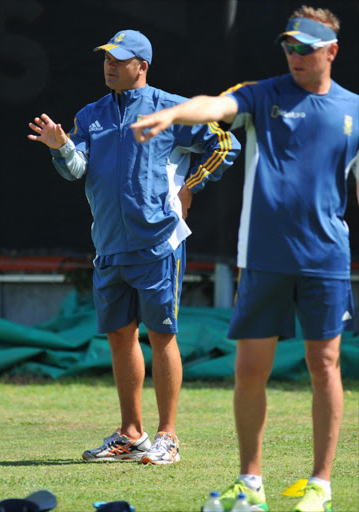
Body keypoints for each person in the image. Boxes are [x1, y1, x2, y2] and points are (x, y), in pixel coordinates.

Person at [131, 6, 359, 510]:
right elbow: (213, 106)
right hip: (263, 258)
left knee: (325, 364)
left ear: (331, 52)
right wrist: (172, 113)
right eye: (288, 47)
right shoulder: (264, 94)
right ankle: (250, 484)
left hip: (326, 261)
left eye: (305, 48)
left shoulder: (354, 110)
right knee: (250, 369)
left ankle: (320, 484)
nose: (294, 56)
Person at [28, 30, 240, 465]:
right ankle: (131, 434)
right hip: (109, 247)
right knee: (120, 337)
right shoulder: (91, 115)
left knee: (162, 335)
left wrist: (191, 187)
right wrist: (61, 146)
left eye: (119, 59)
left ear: (141, 66)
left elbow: (225, 144)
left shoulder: (171, 109)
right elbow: (77, 169)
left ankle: (168, 437)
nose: (109, 65)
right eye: (106, 57)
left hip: (158, 243)